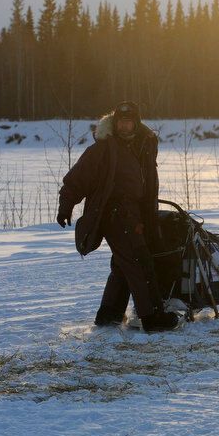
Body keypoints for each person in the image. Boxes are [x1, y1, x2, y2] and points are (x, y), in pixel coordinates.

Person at [57, 101, 178, 332]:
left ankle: (109, 314)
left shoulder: (144, 145)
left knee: (124, 264)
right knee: (139, 262)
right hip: (116, 215)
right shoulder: (104, 149)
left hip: (137, 214)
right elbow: (76, 179)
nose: (124, 126)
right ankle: (153, 318)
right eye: (120, 122)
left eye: (128, 121)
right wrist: (65, 207)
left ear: (136, 123)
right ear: (115, 123)